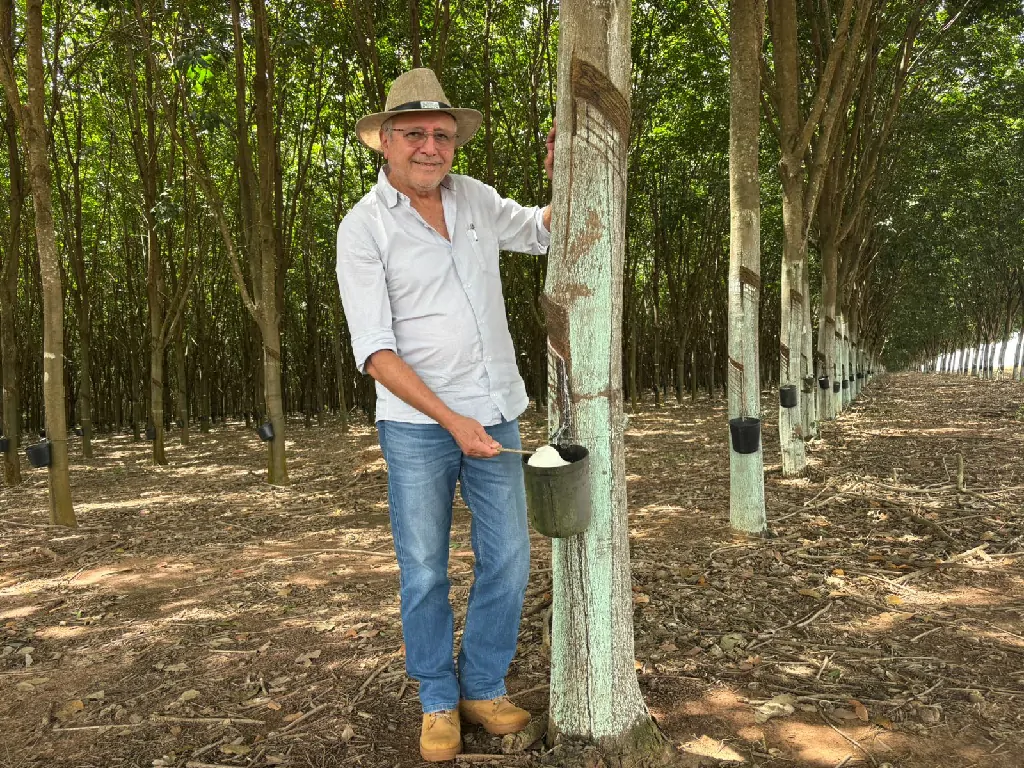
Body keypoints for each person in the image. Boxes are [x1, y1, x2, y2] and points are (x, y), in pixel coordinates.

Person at [335, 68, 555, 762]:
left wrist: (569, 175)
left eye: (441, 135)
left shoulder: (476, 200)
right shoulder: (363, 228)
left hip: (497, 410)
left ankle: (482, 685)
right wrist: (454, 421)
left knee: (510, 560)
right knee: (425, 568)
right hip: (416, 428)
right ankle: (436, 697)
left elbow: (545, 232)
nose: (430, 146)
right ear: (386, 143)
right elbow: (374, 351)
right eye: (414, 134)